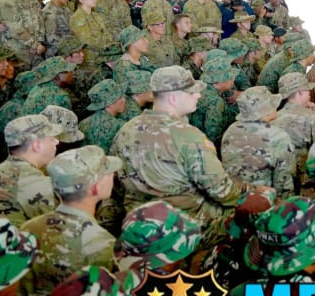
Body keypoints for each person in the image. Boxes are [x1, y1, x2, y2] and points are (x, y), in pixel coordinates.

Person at [110, 66, 271, 249]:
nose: (198, 96)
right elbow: (223, 192)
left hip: (139, 224)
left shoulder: (125, 131)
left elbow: (116, 187)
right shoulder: (187, 136)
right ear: (173, 98)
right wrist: (252, 190)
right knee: (263, 204)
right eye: (191, 92)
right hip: (186, 227)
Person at [19, 145, 120, 296]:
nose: (113, 174)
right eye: (107, 173)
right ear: (95, 187)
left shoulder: (28, 228)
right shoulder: (101, 244)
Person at [0, 114, 63, 226]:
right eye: (51, 139)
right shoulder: (38, 184)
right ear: (36, 145)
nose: (56, 142)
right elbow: (60, 231)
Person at [0, 0, 46, 69]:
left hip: (35, 50)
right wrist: (35, 45)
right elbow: (16, 29)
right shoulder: (8, 1)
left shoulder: (32, 0)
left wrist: (39, 43)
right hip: (19, 51)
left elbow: (40, 22)